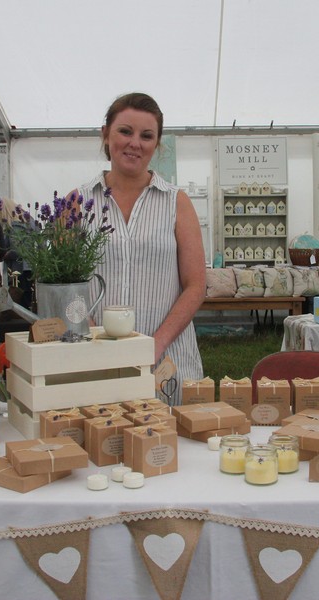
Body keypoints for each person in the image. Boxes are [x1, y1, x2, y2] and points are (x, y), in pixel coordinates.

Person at [71, 92, 206, 403]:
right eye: (125, 131)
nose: (135, 143)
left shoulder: (177, 203)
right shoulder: (76, 203)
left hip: (167, 360)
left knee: (168, 447)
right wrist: (93, 340)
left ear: (157, 145)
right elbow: (62, 286)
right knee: (99, 442)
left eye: (147, 136)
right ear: (105, 134)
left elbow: (196, 285)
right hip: (97, 363)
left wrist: (155, 344)